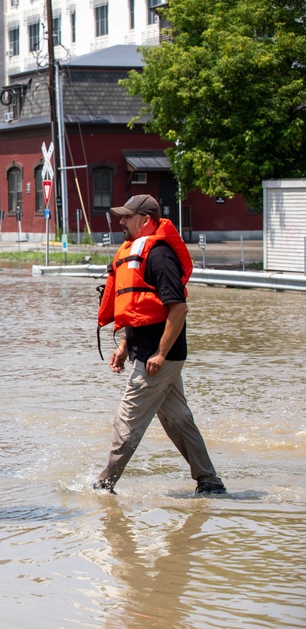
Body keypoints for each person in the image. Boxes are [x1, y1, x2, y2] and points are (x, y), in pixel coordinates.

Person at [94, 194, 225, 495]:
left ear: (145, 220)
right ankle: (209, 481)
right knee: (178, 419)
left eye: (127, 217)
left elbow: (178, 309)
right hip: (152, 352)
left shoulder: (160, 256)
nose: (121, 221)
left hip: (158, 357)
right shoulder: (137, 252)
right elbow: (142, 312)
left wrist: (161, 353)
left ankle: (104, 484)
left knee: (127, 420)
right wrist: (125, 346)